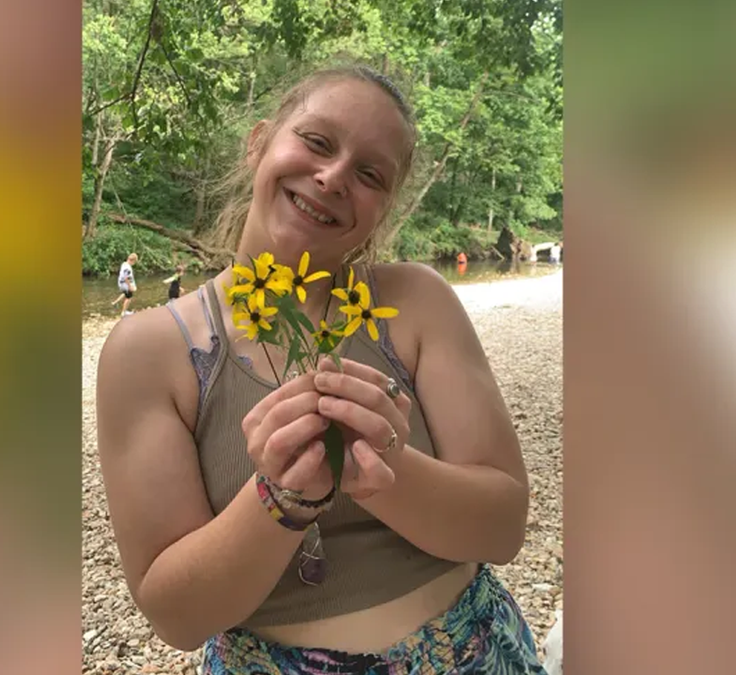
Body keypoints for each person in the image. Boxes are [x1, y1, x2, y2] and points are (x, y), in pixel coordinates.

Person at [96, 65, 547, 674]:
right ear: (259, 142)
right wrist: (281, 499)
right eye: (316, 141)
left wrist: (384, 470)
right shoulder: (147, 351)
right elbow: (178, 615)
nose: (333, 177)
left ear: (384, 207)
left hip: (474, 653)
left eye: (370, 174)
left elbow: (502, 528)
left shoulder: (416, 302)